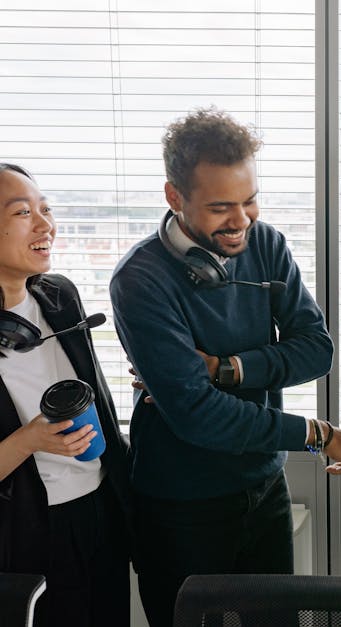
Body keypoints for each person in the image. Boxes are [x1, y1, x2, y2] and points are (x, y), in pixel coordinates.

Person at [109, 108, 341, 627]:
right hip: (181, 507)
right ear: (175, 198)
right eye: (222, 207)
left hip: (264, 487)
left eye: (249, 201)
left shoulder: (265, 243)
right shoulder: (140, 280)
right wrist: (316, 433)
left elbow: (317, 349)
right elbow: (198, 414)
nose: (242, 220)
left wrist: (227, 369)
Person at [0, 163, 133, 627]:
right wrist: (29, 440)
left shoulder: (60, 296)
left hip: (99, 510)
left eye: (46, 209)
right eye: (22, 212)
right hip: (26, 536)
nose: (45, 225)